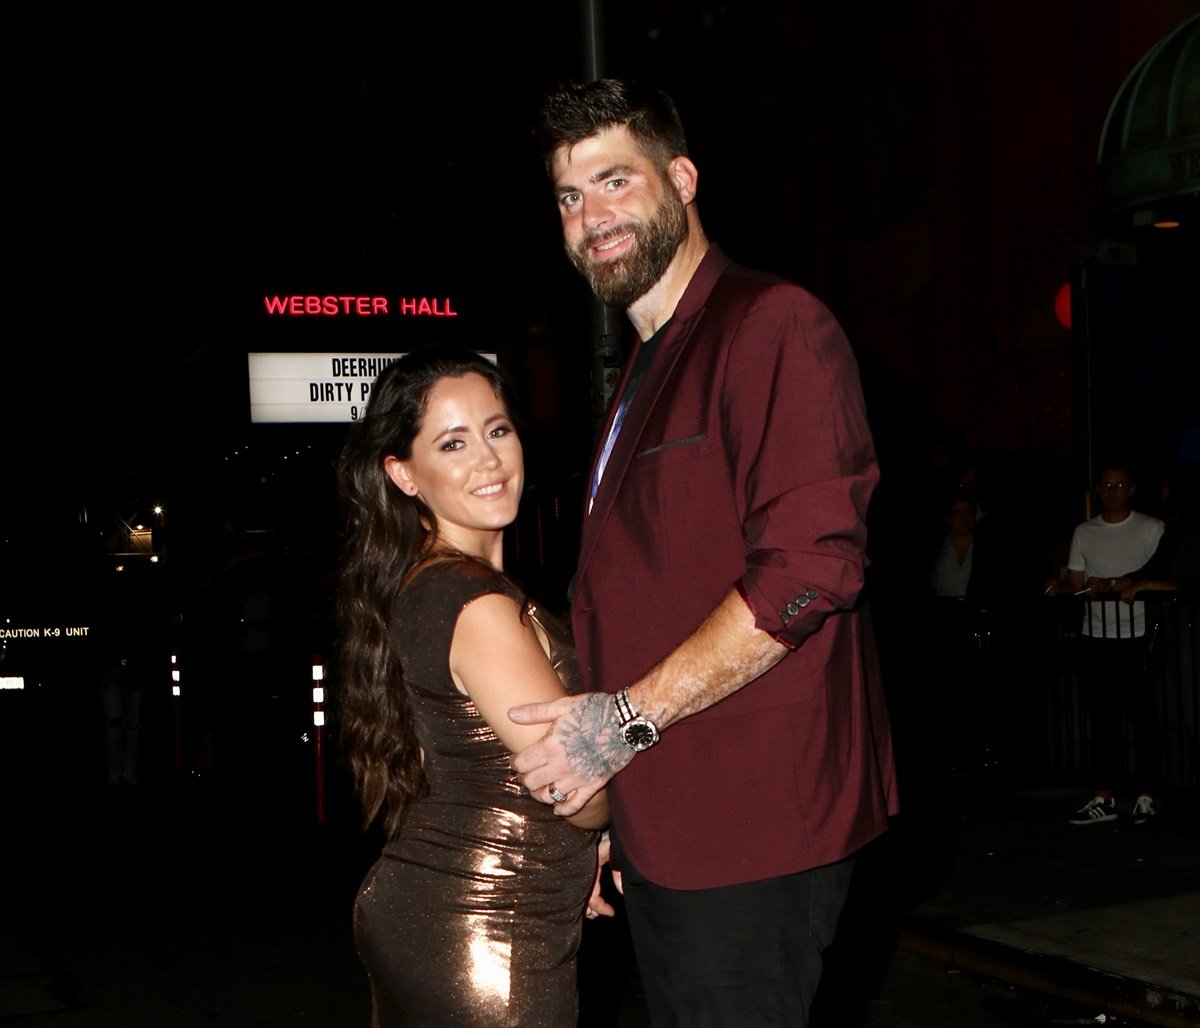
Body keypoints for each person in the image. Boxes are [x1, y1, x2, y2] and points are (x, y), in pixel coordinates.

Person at [508, 78, 899, 1025]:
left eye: (616, 181)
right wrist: (620, 813)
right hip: (673, 825)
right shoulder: (648, 361)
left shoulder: (770, 322)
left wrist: (620, 727)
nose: (591, 217)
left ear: (682, 179)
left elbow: (810, 569)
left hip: (755, 826)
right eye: (570, 196)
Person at [335, 344, 609, 1027]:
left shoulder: (426, 583)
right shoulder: (476, 603)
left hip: (436, 907)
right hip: (485, 930)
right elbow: (580, 794)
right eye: (453, 443)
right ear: (403, 473)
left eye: (497, 429)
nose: (488, 459)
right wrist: (628, 756)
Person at [1046, 464, 1165, 825]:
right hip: (1096, 635)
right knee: (1101, 720)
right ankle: (1104, 795)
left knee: (1144, 719)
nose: (1112, 491)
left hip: (1138, 634)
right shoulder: (1085, 531)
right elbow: (1076, 581)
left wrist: (1119, 584)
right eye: (1106, 485)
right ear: (1097, 490)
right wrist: (1062, 587)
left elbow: (1164, 574)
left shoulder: (1151, 527)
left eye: (1119, 484)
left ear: (1132, 488)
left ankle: (1146, 795)